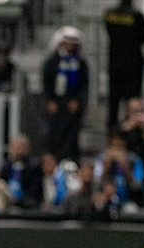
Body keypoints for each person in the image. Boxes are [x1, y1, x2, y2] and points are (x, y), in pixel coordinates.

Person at [42, 27, 89, 162]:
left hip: (72, 105)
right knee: (54, 135)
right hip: (55, 104)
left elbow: (84, 85)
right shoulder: (52, 62)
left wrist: (78, 100)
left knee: (71, 136)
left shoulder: (80, 63)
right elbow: (46, 82)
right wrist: (50, 100)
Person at [105, 0, 144, 129]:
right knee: (133, 101)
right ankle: (131, 130)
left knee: (114, 100)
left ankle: (111, 129)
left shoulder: (110, 14)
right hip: (133, 64)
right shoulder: (136, 15)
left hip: (114, 62)